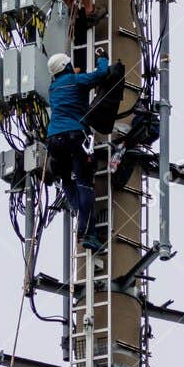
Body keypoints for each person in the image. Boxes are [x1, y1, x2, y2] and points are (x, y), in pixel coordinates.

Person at [45, 52, 124, 253]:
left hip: (54, 140)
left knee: (67, 180)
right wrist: (103, 57)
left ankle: (80, 217)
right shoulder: (76, 80)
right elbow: (101, 74)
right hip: (75, 136)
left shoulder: (53, 88)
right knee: (84, 184)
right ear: (67, 66)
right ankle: (88, 233)